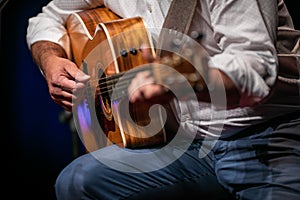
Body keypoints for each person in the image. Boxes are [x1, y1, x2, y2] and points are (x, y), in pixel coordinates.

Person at [26, 0, 300, 199]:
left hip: (268, 135)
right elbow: (47, 18)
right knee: (78, 181)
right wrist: (51, 59)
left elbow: (253, 71)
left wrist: (178, 82)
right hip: (186, 141)